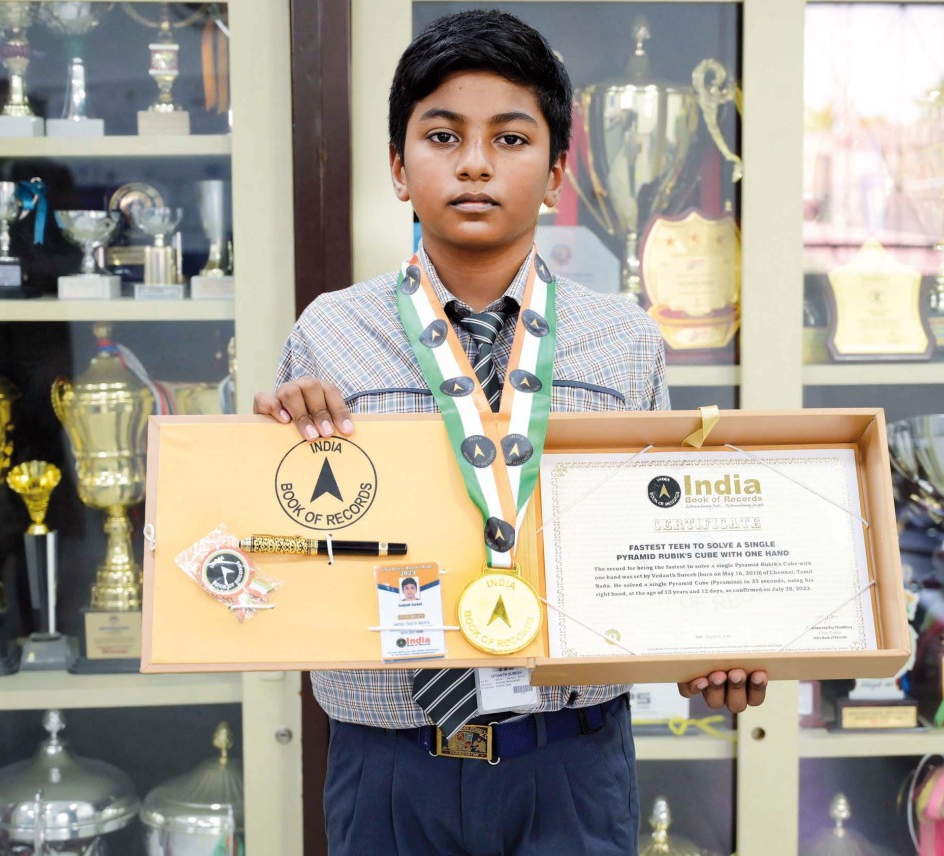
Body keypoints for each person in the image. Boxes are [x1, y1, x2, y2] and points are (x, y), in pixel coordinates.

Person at [254, 10, 767, 854]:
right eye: (443, 135)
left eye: (512, 138)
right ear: (398, 166)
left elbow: (658, 528)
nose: (477, 163)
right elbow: (293, 539)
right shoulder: (327, 331)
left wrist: (717, 639)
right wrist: (271, 446)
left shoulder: (624, 337)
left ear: (559, 170)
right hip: (387, 763)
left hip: (568, 758)